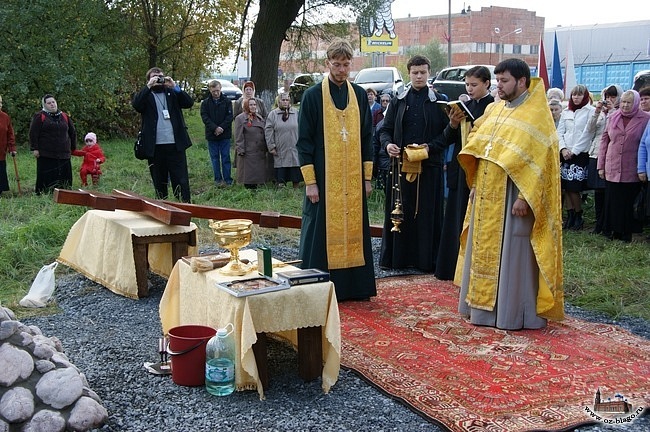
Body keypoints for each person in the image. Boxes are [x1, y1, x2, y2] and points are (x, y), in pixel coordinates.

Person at [456, 58, 564, 330]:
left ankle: (513, 313)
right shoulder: (494, 109)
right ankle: (481, 312)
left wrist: (524, 198)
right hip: (487, 193)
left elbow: (543, 162)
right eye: (498, 80)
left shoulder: (537, 115)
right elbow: (482, 150)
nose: (499, 86)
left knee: (513, 254)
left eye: (504, 81)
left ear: (522, 81)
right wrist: (477, 186)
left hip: (515, 195)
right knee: (483, 251)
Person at [296, 38, 376, 301]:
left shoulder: (360, 95)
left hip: (352, 181)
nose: (341, 70)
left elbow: (368, 138)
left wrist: (366, 177)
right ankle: (318, 285)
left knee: (354, 229)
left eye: (346, 64)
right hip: (323, 178)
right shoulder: (312, 96)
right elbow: (304, 142)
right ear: (327, 63)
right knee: (319, 232)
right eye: (336, 64)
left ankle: (354, 287)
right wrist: (310, 182)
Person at [379, 54, 449, 272]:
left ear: (429, 73)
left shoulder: (440, 100)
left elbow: (449, 134)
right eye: (415, 72)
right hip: (400, 166)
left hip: (429, 167)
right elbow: (385, 129)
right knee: (401, 211)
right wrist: (388, 144)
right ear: (409, 73)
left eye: (423, 72)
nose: (419, 76)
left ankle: (425, 261)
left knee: (426, 213)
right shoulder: (399, 100)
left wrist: (430, 148)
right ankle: (398, 259)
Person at [435, 66, 494, 281]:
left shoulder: (493, 108)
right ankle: (450, 267)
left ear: (487, 83)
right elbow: (447, 138)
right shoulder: (464, 106)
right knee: (455, 215)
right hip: (459, 167)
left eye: (474, 85)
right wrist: (452, 123)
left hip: (479, 168)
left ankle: (471, 269)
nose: (470, 89)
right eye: (467, 85)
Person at [132, 67, 194, 202]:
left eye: (160, 76)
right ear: (149, 80)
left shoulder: (172, 93)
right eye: (154, 77)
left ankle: (185, 207)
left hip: (175, 144)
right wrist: (148, 86)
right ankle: (162, 207)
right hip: (155, 147)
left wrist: (175, 86)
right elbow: (136, 105)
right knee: (159, 182)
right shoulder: (146, 95)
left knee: (181, 180)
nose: (158, 79)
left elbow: (189, 103)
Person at [598, 90, 650, 242]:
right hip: (612, 164)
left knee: (628, 200)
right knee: (613, 200)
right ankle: (613, 231)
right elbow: (604, 141)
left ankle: (627, 232)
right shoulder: (613, 116)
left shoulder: (645, 118)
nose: (625, 105)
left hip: (631, 166)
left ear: (636, 103)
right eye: (623, 102)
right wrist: (601, 165)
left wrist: (642, 167)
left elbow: (644, 144)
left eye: (629, 102)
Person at [579, 84, 622, 234]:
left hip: (611, 155)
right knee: (598, 192)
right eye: (607, 97)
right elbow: (590, 129)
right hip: (595, 153)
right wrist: (597, 112)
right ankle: (598, 223)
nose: (609, 99)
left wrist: (612, 111)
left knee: (608, 191)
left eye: (613, 96)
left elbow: (614, 131)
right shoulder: (601, 113)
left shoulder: (620, 113)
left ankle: (607, 224)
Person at [558, 84, 595, 230]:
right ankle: (570, 215)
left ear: (585, 96)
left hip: (579, 154)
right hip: (565, 153)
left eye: (579, 95)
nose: (576, 97)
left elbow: (587, 133)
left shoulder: (590, 111)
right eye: (574, 95)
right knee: (566, 187)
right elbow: (560, 132)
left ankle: (578, 215)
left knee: (574, 188)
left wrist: (574, 151)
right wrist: (563, 149)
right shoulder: (566, 112)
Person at [29, 94, 77, 194]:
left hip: (63, 153)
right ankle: (44, 193)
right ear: (44, 105)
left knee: (65, 177)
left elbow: (72, 132)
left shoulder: (64, 116)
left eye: (53, 102)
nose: (52, 104)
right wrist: (35, 148)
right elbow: (33, 133)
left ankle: (65, 193)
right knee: (47, 176)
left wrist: (73, 148)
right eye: (49, 103)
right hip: (46, 154)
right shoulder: (40, 116)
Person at [264, 92, 301, 188]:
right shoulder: (273, 114)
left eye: (287, 100)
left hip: (294, 146)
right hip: (280, 147)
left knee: (295, 168)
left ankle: (295, 189)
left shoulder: (295, 113)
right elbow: (268, 131)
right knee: (281, 168)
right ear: (278, 101)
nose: (285, 102)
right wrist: (271, 146)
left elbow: (302, 128)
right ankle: (281, 188)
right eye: (283, 100)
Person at [201, 79, 234, 186]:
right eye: (214, 91)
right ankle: (217, 180)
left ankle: (228, 179)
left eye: (217, 91)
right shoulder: (205, 103)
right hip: (212, 135)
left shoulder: (227, 102)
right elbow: (205, 117)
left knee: (225, 157)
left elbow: (229, 117)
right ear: (210, 90)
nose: (216, 93)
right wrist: (215, 128)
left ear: (220, 89)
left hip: (225, 134)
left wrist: (221, 128)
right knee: (215, 158)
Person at [234, 98, 270, 189]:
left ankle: (259, 185)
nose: (253, 107)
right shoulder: (240, 118)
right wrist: (240, 149)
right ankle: (249, 188)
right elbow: (238, 136)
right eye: (251, 105)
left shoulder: (259, 117)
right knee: (249, 173)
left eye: (254, 105)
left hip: (259, 149)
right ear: (246, 106)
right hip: (248, 150)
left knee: (258, 171)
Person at [0, 95, 16, 194]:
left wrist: (12, 148)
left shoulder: (5, 117)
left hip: (1, 151)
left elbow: (10, 134)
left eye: (1, 102)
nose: (0, 105)